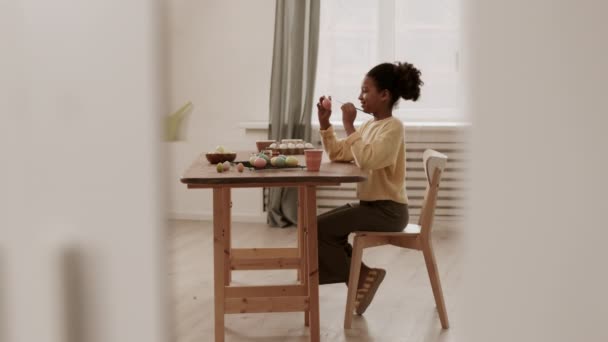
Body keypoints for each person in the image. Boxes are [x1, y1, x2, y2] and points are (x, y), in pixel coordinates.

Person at [316, 61, 423, 315]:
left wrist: (350, 126)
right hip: (372, 208)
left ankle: (360, 279)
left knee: (319, 228)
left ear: (384, 95)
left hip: (389, 212)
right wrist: (325, 125)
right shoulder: (369, 126)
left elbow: (368, 159)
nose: (359, 97)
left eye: (366, 91)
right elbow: (338, 153)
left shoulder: (393, 127)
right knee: (318, 226)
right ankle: (364, 276)